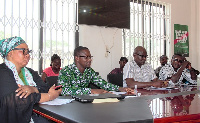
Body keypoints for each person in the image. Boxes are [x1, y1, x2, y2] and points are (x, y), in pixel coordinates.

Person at [0, 36, 62, 123]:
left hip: (35, 115)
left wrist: (33, 89)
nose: (28, 55)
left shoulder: (30, 72)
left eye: (28, 52)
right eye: (23, 51)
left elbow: (45, 88)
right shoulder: (2, 72)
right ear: (10, 53)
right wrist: (49, 96)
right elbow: (19, 99)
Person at [58, 46, 134, 96]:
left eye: (90, 57)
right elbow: (63, 90)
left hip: (84, 103)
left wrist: (120, 88)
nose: (90, 60)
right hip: (70, 105)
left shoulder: (89, 71)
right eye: (86, 57)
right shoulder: (66, 71)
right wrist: (91, 91)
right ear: (77, 58)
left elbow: (103, 83)